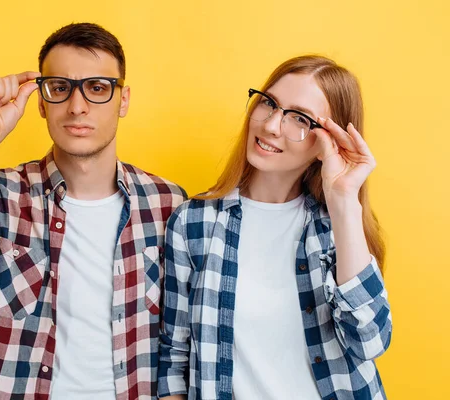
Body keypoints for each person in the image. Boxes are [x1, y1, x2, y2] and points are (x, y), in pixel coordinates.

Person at [0, 22, 186, 400]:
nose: (77, 106)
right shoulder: (0, 198)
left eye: (97, 88)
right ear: (41, 102)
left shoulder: (167, 203)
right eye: (60, 88)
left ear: (123, 100)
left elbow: (183, 333)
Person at [158, 55, 392, 400]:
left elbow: (370, 339)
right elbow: (174, 360)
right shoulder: (194, 222)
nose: (270, 125)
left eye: (299, 118)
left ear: (328, 142)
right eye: (269, 103)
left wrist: (343, 200)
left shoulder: (336, 227)